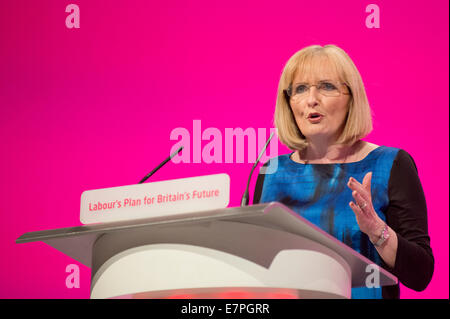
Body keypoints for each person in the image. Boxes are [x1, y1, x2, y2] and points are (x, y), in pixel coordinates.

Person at [253, 45, 434, 299]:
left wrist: (376, 230)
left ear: (352, 98)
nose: (311, 99)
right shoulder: (271, 172)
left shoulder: (390, 164)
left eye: (326, 86)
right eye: (301, 89)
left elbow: (421, 274)